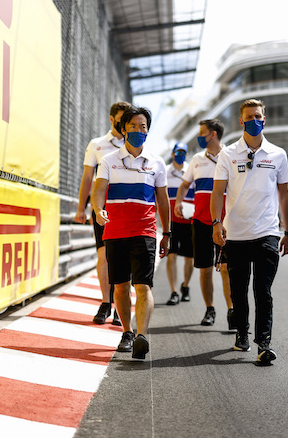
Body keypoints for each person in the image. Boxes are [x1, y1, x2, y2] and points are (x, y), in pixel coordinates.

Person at [210, 99, 288, 365]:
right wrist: (215, 223)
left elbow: (284, 194)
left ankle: (264, 343)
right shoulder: (228, 154)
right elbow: (217, 192)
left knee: (263, 290)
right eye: (249, 116)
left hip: (268, 232)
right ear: (241, 121)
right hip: (235, 234)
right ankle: (242, 334)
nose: (254, 120)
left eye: (258, 116)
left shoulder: (278, 154)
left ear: (264, 119)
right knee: (238, 290)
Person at [91, 105, 170, 360]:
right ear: (124, 129)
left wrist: (166, 233)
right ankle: (127, 331)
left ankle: (141, 336)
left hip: (145, 232)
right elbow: (98, 191)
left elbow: (163, 200)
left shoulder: (157, 163)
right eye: (134, 126)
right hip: (114, 233)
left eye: (143, 126)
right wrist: (97, 209)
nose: (138, 130)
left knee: (143, 285)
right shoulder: (108, 160)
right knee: (122, 287)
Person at [75, 101, 131, 325]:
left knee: (125, 256)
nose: (125, 122)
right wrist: (82, 208)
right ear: (112, 119)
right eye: (121, 118)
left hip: (126, 208)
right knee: (103, 256)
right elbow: (87, 178)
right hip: (102, 209)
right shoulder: (97, 145)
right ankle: (106, 302)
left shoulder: (133, 144)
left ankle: (121, 304)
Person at [174, 119, 233, 328]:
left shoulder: (231, 156)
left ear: (213, 134)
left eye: (202, 132)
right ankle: (210, 309)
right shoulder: (197, 160)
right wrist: (179, 201)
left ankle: (232, 311)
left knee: (227, 269)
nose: (199, 136)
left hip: (227, 223)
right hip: (200, 223)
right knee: (205, 269)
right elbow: (184, 185)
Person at [164, 142, 195, 305]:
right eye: (178, 152)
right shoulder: (165, 172)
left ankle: (185, 286)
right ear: (172, 154)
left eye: (183, 152)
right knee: (172, 256)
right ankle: (174, 291)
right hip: (172, 223)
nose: (180, 155)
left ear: (187, 155)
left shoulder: (192, 171)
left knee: (189, 259)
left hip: (189, 222)